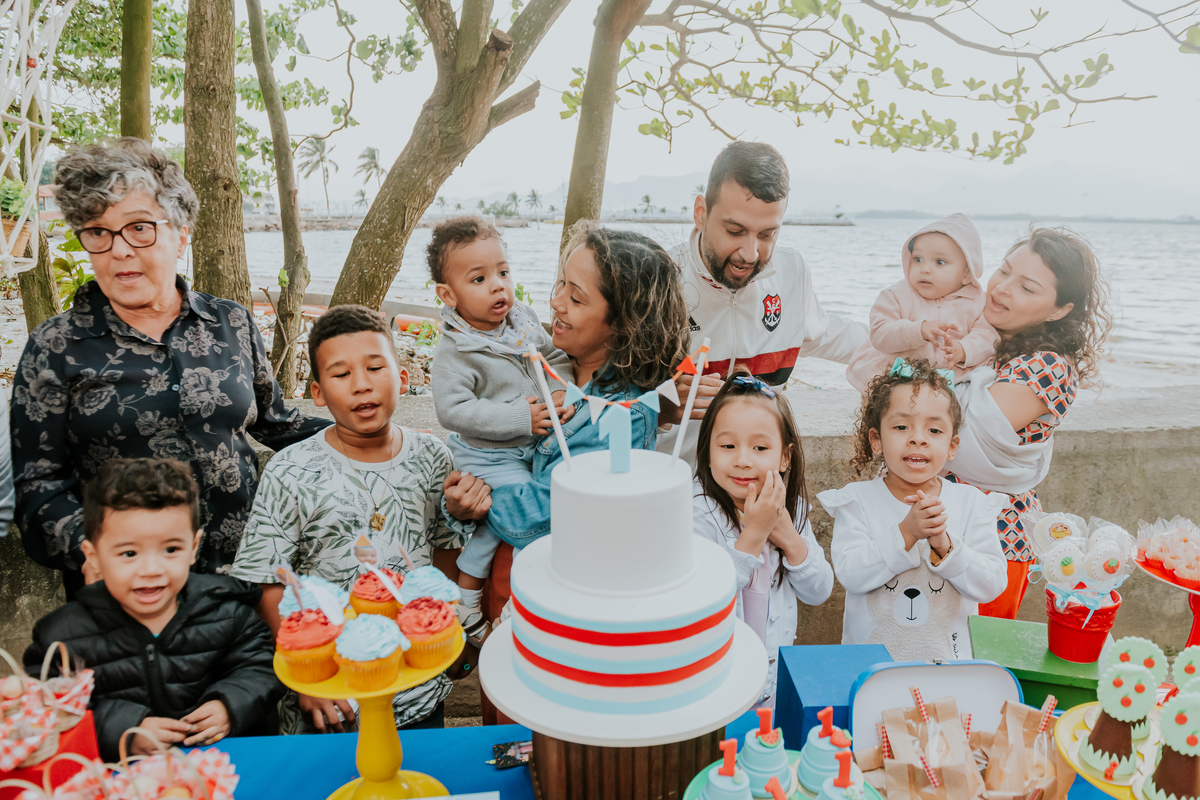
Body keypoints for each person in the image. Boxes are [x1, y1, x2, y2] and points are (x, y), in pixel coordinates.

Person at [9, 138, 330, 597]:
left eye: (139, 228)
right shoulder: (55, 347)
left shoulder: (230, 322)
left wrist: (380, 438)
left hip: (246, 580)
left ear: (182, 234)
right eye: (98, 231)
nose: (118, 250)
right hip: (128, 599)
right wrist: (93, 552)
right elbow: (38, 484)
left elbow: (278, 424)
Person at [230, 304, 483, 735]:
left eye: (375, 367)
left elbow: (444, 551)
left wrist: (443, 639)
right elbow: (268, 582)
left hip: (416, 688)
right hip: (333, 697)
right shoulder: (291, 470)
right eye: (341, 374)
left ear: (403, 378)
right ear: (318, 392)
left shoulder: (432, 456)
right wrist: (309, 676)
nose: (362, 385)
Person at [25, 459, 281, 761]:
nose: (151, 569)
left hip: (228, 764)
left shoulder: (227, 610)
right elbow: (50, 708)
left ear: (193, 547)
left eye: (171, 549)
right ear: (92, 557)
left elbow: (261, 666)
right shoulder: (61, 637)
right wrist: (123, 729)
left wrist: (229, 704)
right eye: (129, 553)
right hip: (124, 779)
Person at [463, 221, 691, 547]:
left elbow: (546, 512)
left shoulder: (622, 415)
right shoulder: (545, 363)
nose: (557, 303)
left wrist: (472, 501)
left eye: (577, 299)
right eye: (561, 284)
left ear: (625, 325)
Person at [656, 141, 867, 463]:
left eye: (767, 235)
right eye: (735, 230)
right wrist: (661, 405)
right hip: (671, 484)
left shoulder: (790, 270)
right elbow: (605, 396)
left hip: (754, 484)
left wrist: (919, 346)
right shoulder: (656, 281)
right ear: (701, 213)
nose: (750, 254)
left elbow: (828, 335)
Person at [944, 227, 1112, 619]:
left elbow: (956, 439)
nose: (1002, 289)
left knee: (972, 667)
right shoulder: (985, 344)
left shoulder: (1047, 365)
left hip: (992, 539)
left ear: (1060, 310)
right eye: (1003, 271)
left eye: (1027, 288)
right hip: (947, 524)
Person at [426, 216, 574, 647]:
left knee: (500, 520)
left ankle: (467, 592)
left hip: (527, 446)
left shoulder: (522, 321)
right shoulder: (457, 348)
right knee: (526, 513)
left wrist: (560, 389)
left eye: (503, 273)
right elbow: (451, 409)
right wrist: (517, 418)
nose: (498, 286)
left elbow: (554, 357)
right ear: (448, 295)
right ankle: (511, 598)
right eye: (479, 278)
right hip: (487, 454)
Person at [820, 359, 1007, 661]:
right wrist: (906, 533)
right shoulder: (857, 501)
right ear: (876, 440)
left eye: (934, 429)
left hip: (947, 666)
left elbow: (992, 584)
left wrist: (945, 547)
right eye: (901, 426)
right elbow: (851, 574)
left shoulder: (971, 503)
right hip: (870, 669)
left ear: (952, 446)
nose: (917, 437)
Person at [691, 369, 833, 706]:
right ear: (708, 451)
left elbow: (819, 591)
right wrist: (754, 534)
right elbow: (706, 598)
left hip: (770, 681)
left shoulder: (792, 510)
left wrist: (789, 538)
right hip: (715, 679)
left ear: (785, 456)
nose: (742, 460)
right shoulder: (698, 512)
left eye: (759, 447)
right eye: (727, 445)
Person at [845, 214, 998, 393]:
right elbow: (879, 333)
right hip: (898, 374)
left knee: (973, 390)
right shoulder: (896, 295)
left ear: (966, 273)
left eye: (940, 262)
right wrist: (917, 330)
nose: (924, 268)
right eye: (917, 259)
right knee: (888, 400)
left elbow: (987, 335)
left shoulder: (977, 302)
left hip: (950, 375)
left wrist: (964, 349)